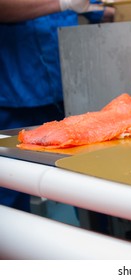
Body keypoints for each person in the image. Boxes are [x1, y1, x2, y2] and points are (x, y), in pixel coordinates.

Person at [0, 0, 114, 212]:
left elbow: (96, 10)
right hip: (14, 90)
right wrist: (62, 3)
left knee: (84, 176)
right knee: (9, 182)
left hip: (67, 87)